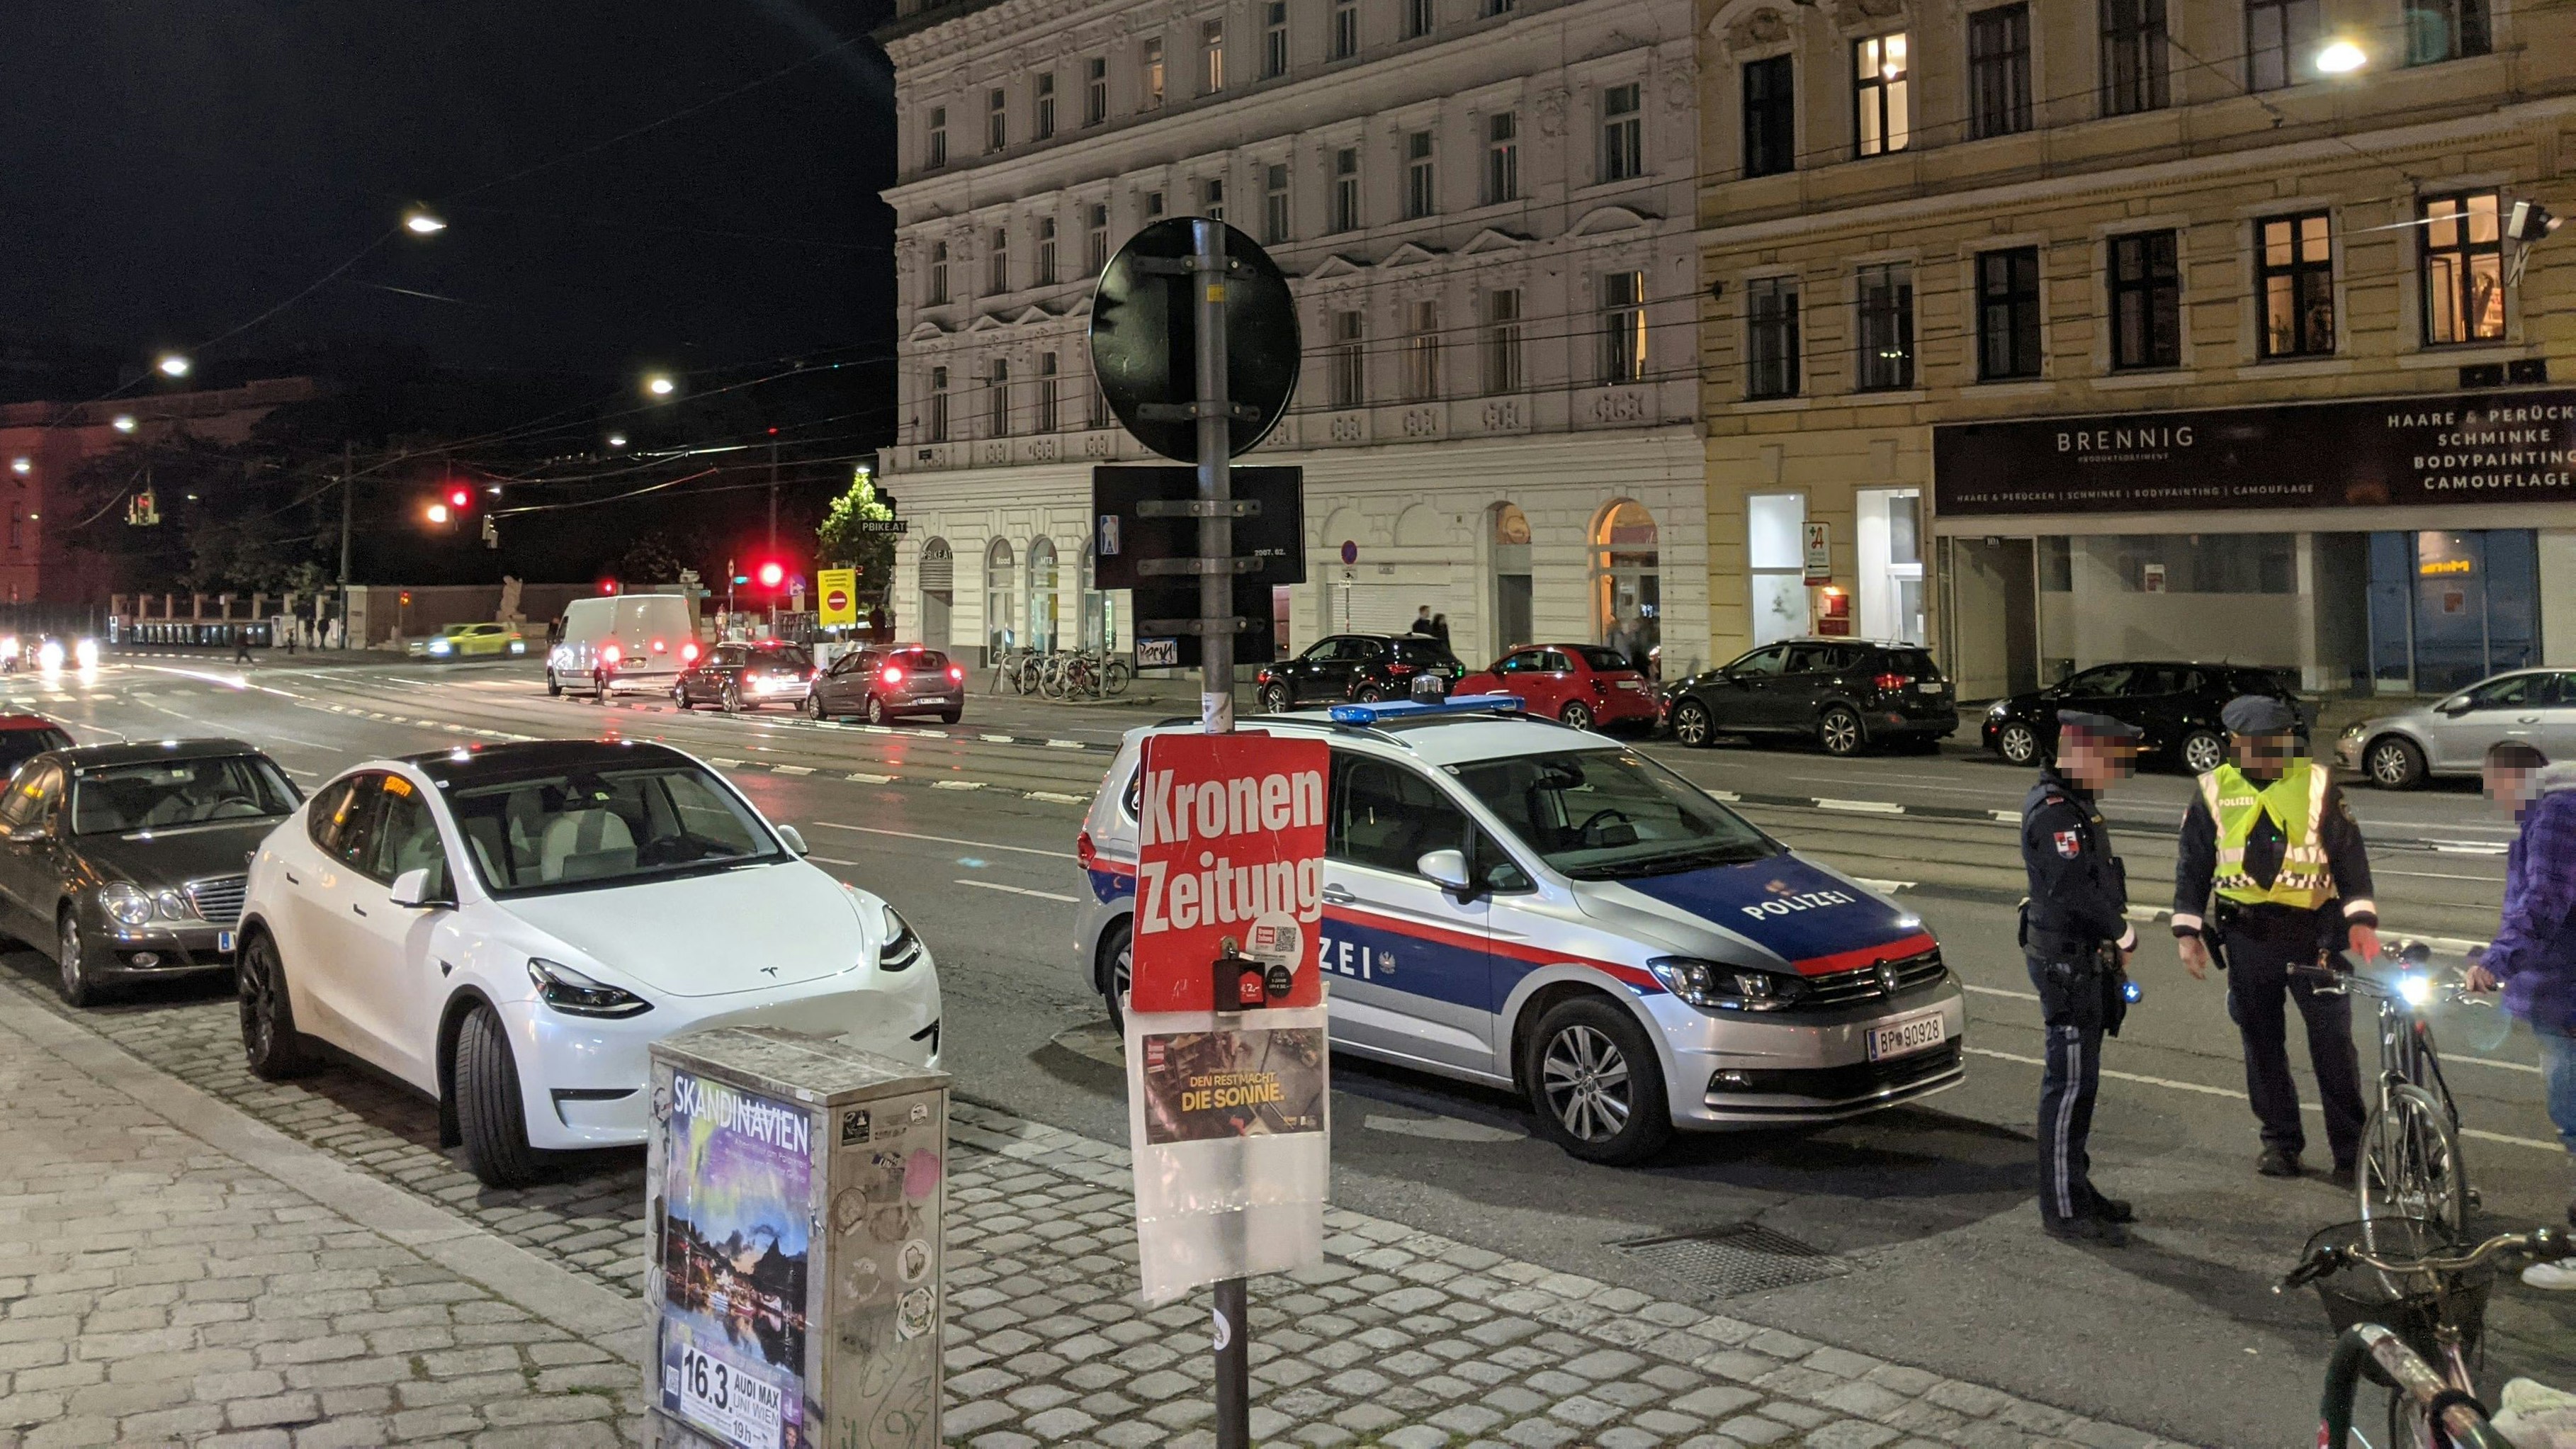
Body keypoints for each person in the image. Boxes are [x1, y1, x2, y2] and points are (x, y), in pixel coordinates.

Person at [2174, 694, 2375, 1183]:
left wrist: (2361, 921)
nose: (2269, 751)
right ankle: (2281, 1143)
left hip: (2315, 936)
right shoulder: (2212, 790)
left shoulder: (2318, 784)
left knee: (2333, 1046)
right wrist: (2187, 932)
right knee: (2262, 1045)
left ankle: (2352, 1154)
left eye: (2277, 742)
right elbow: (2194, 864)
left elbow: (2349, 858)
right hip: (2248, 936)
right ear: (2236, 744)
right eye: (2257, 744)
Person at [2021, 711, 2142, 1245]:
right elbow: (2072, 889)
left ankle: (2077, 1185)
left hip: (2082, 960)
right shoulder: (2054, 812)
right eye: (2109, 761)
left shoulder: (2075, 804)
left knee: (2081, 1084)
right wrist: (2120, 930)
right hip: (2066, 964)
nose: (2113, 774)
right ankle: (2063, 1207)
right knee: (2068, 1087)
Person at [2463, 740, 2576, 1287]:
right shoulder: (2547, 817)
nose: (2493, 797)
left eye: (2494, 784)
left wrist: (2498, 961)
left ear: (2517, 779)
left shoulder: (2556, 812)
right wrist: (2484, 956)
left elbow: (2545, 900)